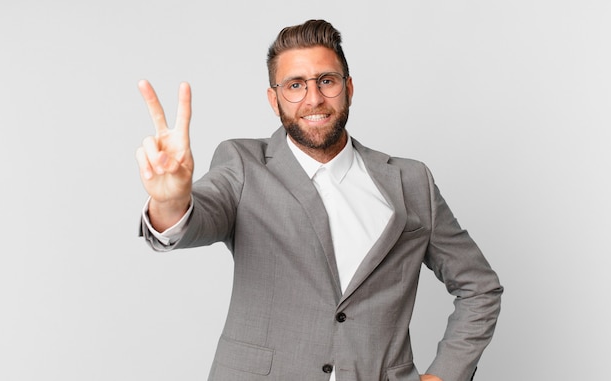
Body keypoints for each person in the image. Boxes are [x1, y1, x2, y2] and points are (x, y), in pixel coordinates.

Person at [136, 19, 502, 381]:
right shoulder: (243, 165)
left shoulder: (411, 181)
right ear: (273, 98)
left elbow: (479, 286)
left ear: (349, 88)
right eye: (295, 85)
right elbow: (202, 215)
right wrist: (171, 201)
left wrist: (445, 376)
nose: (313, 98)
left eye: (326, 81)